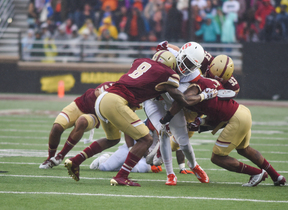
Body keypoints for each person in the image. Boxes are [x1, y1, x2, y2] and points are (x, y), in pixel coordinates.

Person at [64, 50, 216, 186]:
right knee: (146, 139)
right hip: (116, 101)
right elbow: (181, 99)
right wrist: (204, 95)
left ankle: (76, 161)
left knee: (112, 138)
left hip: (104, 99)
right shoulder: (169, 74)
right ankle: (121, 176)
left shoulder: (140, 61)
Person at [164, 56, 287, 187]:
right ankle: (277, 176)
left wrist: (169, 115)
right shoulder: (211, 82)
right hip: (242, 111)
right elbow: (217, 115)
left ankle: (257, 173)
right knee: (244, 149)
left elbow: (185, 99)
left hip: (235, 118)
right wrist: (200, 122)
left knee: (217, 157)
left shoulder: (198, 84)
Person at [143, 41, 210, 186]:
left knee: (184, 142)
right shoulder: (169, 55)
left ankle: (194, 165)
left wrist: (168, 117)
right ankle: (170, 174)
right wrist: (172, 47)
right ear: (181, 54)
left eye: (191, 65)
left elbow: (180, 100)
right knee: (163, 132)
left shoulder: (193, 76)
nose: (187, 67)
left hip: (172, 103)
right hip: (153, 101)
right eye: (186, 61)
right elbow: (161, 45)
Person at [39, 82, 114, 169]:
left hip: (94, 114)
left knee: (82, 122)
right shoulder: (114, 86)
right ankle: (50, 158)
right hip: (78, 105)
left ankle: (60, 155)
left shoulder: (120, 94)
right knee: (57, 127)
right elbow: (98, 92)